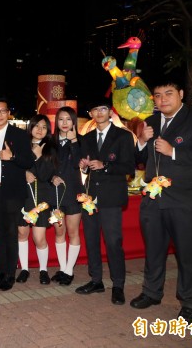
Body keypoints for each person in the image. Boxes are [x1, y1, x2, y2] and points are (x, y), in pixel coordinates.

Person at [130, 81, 192, 321]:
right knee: (154, 250)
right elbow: (138, 159)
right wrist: (140, 140)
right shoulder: (150, 121)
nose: (162, 100)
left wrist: (174, 152)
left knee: (188, 254)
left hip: (185, 199)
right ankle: (151, 292)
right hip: (153, 199)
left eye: (168, 94)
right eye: (158, 96)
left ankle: (190, 302)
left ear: (180, 95)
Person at [75, 98, 135, 306]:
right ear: (90, 113)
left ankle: (118, 285)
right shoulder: (87, 137)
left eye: (103, 109)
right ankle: (96, 280)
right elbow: (85, 166)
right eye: (95, 109)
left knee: (113, 242)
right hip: (90, 197)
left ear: (110, 112)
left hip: (111, 197)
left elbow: (129, 167)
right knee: (91, 240)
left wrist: (106, 165)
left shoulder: (124, 136)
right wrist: (83, 165)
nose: (99, 113)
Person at [0, 96, 34, 291]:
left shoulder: (19, 135)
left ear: (8, 113)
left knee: (11, 233)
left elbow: (28, 161)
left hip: (12, 192)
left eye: (3, 111)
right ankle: (1, 271)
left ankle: (10, 274)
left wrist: (12, 157)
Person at [17, 115, 57, 285]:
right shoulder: (21, 146)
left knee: (39, 237)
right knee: (22, 233)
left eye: (44, 127)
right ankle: (24, 269)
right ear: (30, 127)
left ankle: (43, 270)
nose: (40, 130)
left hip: (41, 197)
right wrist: (24, 173)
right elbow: (14, 168)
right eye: (37, 126)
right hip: (23, 195)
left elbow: (45, 175)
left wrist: (39, 156)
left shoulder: (50, 149)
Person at [50, 106, 83, 286]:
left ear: (73, 122)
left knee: (72, 231)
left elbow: (78, 163)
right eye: (61, 119)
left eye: (68, 119)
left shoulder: (80, 140)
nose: (64, 123)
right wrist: (51, 177)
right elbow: (46, 166)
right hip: (55, 194)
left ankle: (69, 270)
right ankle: (62, 268)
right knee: (59, 231)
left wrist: (74, 141)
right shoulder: (51, 142)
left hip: (73, 193)